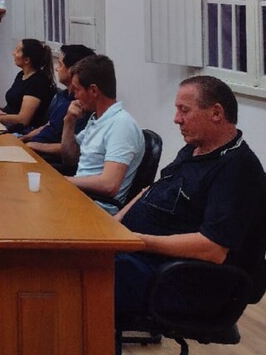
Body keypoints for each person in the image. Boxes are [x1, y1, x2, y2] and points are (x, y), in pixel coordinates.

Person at [114, 76, 266, 319]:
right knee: (76, 258)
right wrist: (115, 223)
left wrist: (137, 241)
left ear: (216, 113)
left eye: (184, 110)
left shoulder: (238, 169)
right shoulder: (194, 148)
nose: (176, 119)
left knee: (79, 275)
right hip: (143, 258)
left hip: (182, 282)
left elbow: (213, 248)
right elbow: (152, 190)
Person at [61, 54, 144, 213]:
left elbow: (109, 185)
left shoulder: (121, 125)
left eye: (77, 89)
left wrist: (62, 181)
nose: (74, 95)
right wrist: (69, 122)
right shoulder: (97, 119)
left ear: (93, 90)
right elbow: (70, 158)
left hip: (97, 209)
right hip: (78, 197)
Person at [22, 43, 96, 168]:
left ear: (73, 70)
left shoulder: (81, 106)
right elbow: (49, 125)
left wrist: (34, 146)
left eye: (60, 64)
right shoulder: (64, 95)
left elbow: (72, 147)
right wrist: (24, 139)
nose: (57, 69)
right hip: (33, 148)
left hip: (46, 160)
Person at [0, 38, 56, 134]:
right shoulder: (21, 75)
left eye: (17, 51)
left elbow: (23, 120)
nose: (13, 53)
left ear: (27, 60)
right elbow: (13, 106)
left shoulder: (38, 82)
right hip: (7, 124)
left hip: (22, 131)